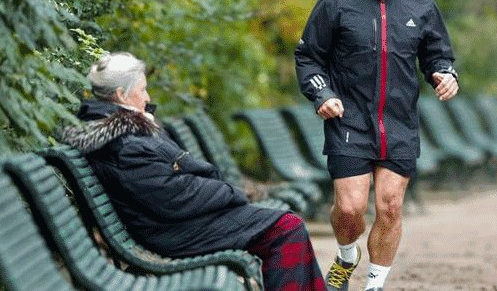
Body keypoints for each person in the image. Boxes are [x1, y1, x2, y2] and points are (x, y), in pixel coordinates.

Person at [60, 52, 325, 291]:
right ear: (120, 95)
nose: (148, 97)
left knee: (288, 225)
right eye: (143, 90)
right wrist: (232, 192)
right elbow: (175, 196)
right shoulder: (123, 145)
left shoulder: (126, 133)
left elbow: (173, 184)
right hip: (172, 232)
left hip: (177, 223)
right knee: (285, 229)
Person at [294, 0, 459, 291]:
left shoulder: (421, 3)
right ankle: (347, 254)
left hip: (398, 123)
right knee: (351, 210)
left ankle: (374, 284)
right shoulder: (336, 2)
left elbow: (439, 56)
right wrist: (322, 94)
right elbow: (308, 57)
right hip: (348, 120)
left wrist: (445, 75)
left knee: (389, 207)